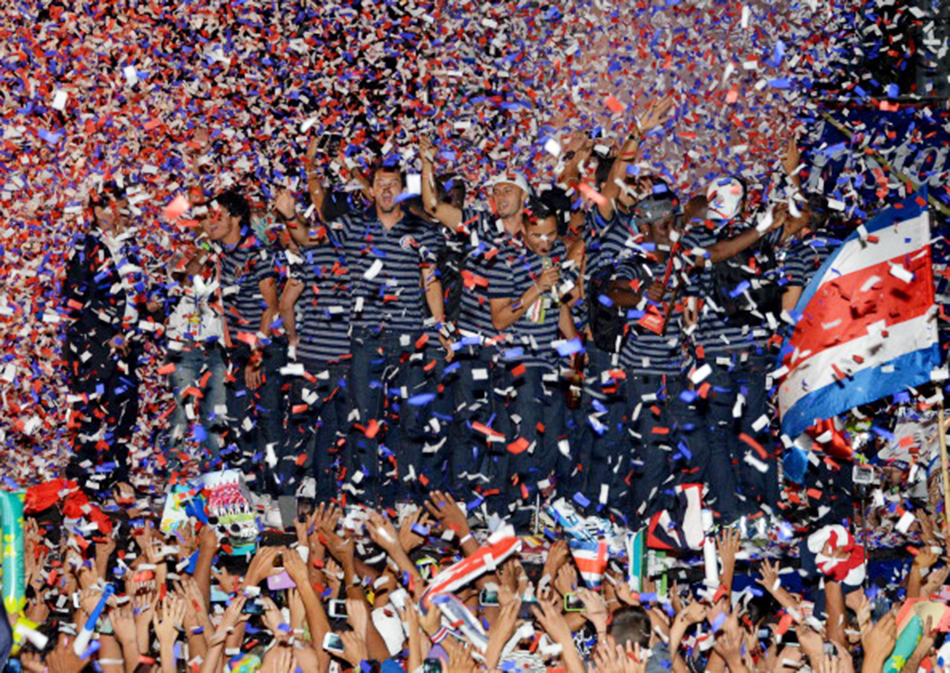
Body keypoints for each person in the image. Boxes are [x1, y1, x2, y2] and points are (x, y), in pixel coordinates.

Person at [419, 137, 531, 508]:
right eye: (494, 190)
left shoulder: (537, 238)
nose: (499, 195)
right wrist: (426, 164)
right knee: (468, 426)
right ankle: (461, 503)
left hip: (516, 349)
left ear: (523, 196)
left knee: (507, 429)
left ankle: (496, 507)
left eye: (506, 190)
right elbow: (433, 205)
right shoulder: (480, 225)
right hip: (474, 345)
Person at [333, 161, 448, 507]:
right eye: (380, 184)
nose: (386, 190)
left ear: (403, 190)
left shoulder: (422, 231)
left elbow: (431, 280)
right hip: (365, 337)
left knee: (412, 418)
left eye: (393, 184)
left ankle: (406, 498)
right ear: (370, 190)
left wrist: (439, 326)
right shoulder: (352, 227)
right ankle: (366, 500)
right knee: (365, 420)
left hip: (410, 335)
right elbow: (308, 241)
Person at [63, 182, 160, 496]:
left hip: (128, 344)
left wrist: (152, 308)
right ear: (92, 211)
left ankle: (117, 477)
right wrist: (109, 333)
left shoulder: (131, 247)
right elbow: (75, 299)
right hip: (95, 345)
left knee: (124, 411)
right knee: (93, 412)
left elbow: (136, 296)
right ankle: (85, 485)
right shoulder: (84, 246)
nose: (111, 212)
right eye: (103, 206)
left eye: (116, 205)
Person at [489, 199, 581, 526]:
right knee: (523, 435)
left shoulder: (556, 259)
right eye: (538, 234)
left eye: (551, 235)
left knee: (554, 436)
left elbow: (561, 309)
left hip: (551, 361)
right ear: (524, 230)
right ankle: (515, 511)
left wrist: (576, 355)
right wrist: (535, 288)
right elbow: (499, 320)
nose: (544, 242)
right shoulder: (504, 262)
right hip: (517, 362)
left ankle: (544, 509)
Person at [609, 180, 694, 527]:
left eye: (674, 222)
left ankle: (667, 516)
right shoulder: (634, 262)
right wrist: (643, 294)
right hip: (643, 371)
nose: (671, 230)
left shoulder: (685, 261)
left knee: (681, 448)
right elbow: (615, 291)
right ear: (645, 228)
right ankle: (641, 521)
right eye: (664, 225)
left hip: (677, 371)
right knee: (650, 447)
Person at [197, 189, 283, 492]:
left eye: (213, 216)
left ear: (235, 217)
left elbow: (271, 307)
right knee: (238, 427)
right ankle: (251, 499)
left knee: (270, 426)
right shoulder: (219, 257)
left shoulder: (257, 252)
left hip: (262, 349)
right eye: (205, 217)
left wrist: (256, 356)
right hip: (233, 352)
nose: (207, 223)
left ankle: (282, 508)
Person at [274, 188, 351, 501]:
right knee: (333, 438)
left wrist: (294, 336)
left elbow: (285, 304)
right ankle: (324, 507)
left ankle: (286, 511)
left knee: (297, 434)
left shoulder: (312, 255)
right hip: (345, 362)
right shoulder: (363, 258)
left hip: (310, 359)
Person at [162, 225, 229, 472]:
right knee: (181, 410)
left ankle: (213, 472)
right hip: (185, 350)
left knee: (216, 414)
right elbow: (186, 278)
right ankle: (173, 470)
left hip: (215, 351)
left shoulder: (227, 260)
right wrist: (203, 250)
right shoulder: (182, 255)